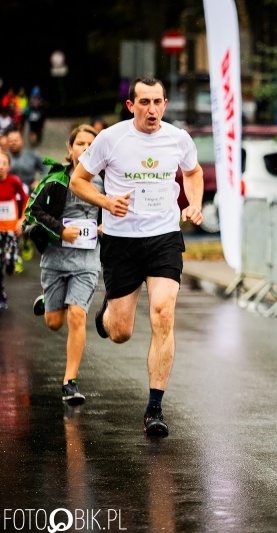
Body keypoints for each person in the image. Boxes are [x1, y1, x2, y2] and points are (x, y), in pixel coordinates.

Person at [69, 77, 204, 437]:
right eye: (144, 102)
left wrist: (194, 203)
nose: (152, 109)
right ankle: (109, 314)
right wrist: (105, 202)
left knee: (163, 312)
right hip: (122, 241)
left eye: (158, 102)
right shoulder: (110, 139)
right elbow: (78, 181)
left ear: (165, 103)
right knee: (120, 333)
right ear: (131, 106)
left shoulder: (178, 138)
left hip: (164, 238)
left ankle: (155, 407)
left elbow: (193, 171)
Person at [25, 125, 102, 405]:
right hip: (56, 260)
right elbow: (34, 212)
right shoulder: (56, 180)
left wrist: (106, 226)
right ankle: (48, 300)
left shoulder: (107, 181)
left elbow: (118, 213)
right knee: (55, 322)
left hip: (87, 262)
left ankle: (70, 382)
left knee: (77, 316)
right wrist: (60, 230)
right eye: (80, 143)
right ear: (70, 150)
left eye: (90, 144)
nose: (85, 148)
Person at [0, 151, 28, 308]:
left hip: (11, 230)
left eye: (4, 163)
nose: (0, 167)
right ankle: (1, 294)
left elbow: (25, 200)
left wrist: (21, 220)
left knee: (9, 261)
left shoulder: (14, 182)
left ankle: (10, 263)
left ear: (9, 166)